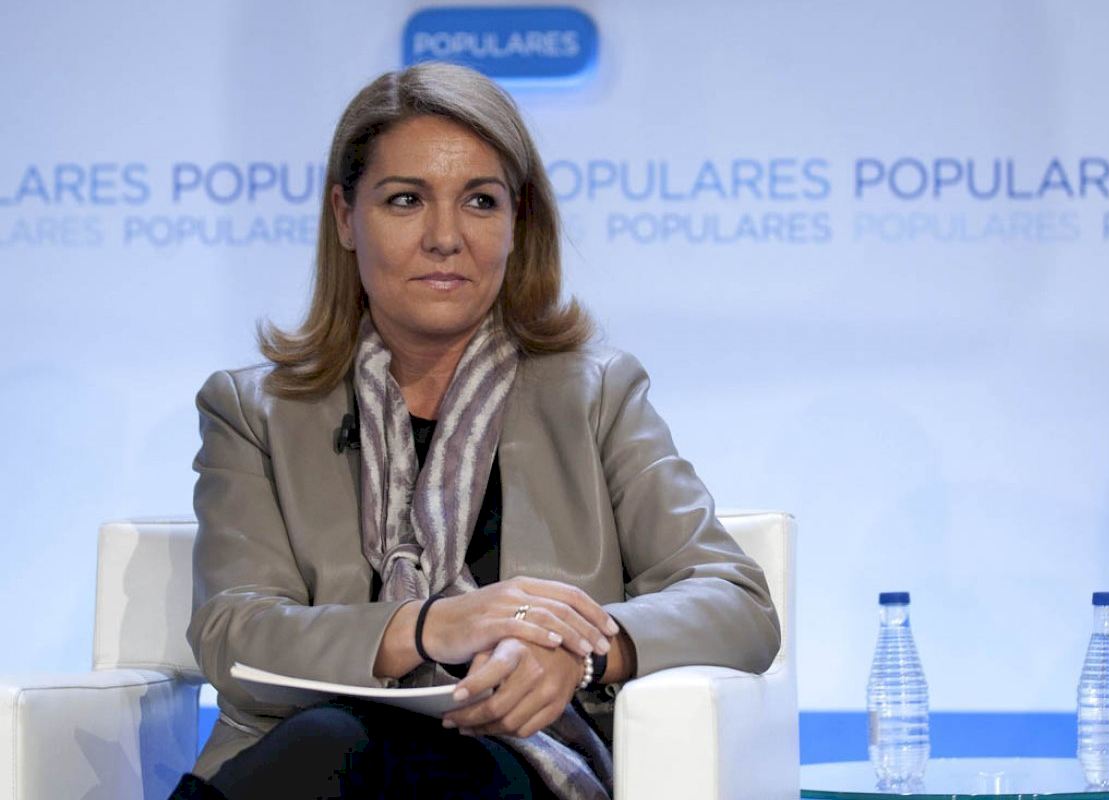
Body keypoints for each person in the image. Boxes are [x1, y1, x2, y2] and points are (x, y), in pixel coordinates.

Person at [169, 61, 780, 800]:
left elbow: (736, 602)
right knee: (333, 741)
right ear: (345, 217)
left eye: (480, 201)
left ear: (517, 222)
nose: (445, 238)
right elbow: (235, 636)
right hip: (312, 762)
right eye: (405, 200)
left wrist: (580, 653)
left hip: (525, 767)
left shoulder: (596, 394)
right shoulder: (253, 411)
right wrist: (428, 626)